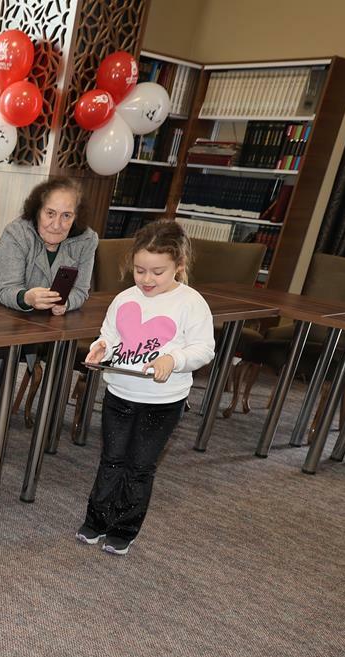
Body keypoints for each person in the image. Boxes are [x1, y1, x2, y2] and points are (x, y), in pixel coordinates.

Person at [77, 220, 215, 556]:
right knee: (111, 459)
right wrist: (100, 347)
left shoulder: (190, 302)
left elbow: (204, 349)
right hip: (119, 395)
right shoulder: (125, 298)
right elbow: (110, 335)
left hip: (162, 402)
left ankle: (124, 527)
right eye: (140, 270)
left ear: (179, 267)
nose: (147, 279)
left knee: (139, 466)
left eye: (157, 272)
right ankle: (97, 519)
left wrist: (175, 359)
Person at [0, 176, 98, 445]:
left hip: (29, 312)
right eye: (50, 213)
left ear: (76, 217)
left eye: (66, 216)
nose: (56, 224)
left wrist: (67, 302)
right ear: (37, 210)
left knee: (7, 353)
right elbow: (7, 290)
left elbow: (81, 290)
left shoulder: (87, 240)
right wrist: (27, 297)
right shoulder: (17, 232)